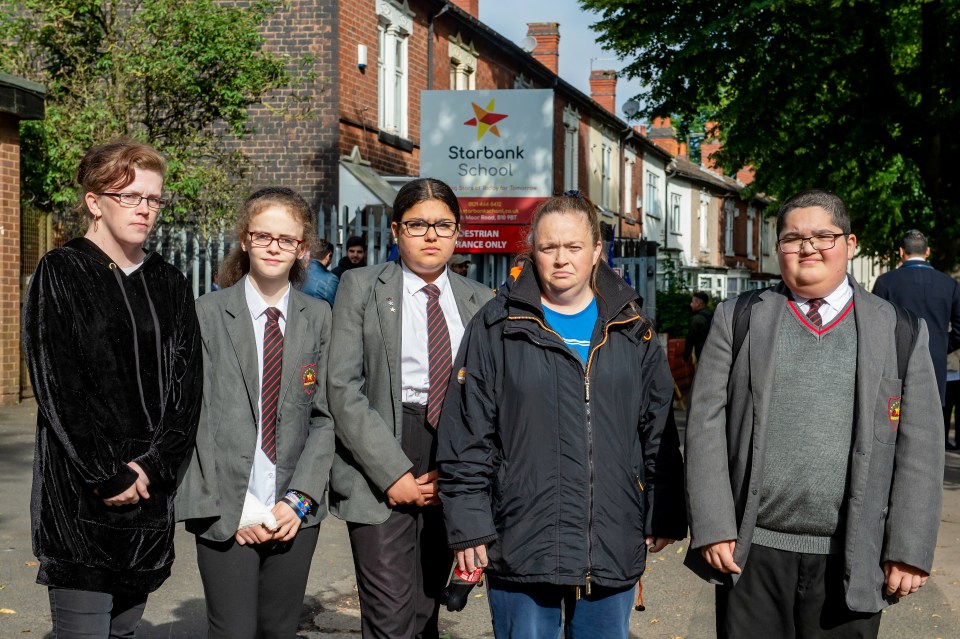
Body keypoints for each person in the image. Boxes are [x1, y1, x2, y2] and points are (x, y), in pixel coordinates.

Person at [684, 189, 944, 638]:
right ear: (778, 247)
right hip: (752, 552)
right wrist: (712, 525)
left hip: (852, 557)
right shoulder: (737, 319)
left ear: (851, 243)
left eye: (824, 236)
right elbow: (704, 426)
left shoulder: (900, 330)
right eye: (793, 237)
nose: (808, 247)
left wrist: (909, 548)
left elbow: (920, 446)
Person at [437, 193, 686, 638]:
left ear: (596, 252)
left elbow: (658, 428)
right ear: (532, 249)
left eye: (573, 247)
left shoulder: (632, 330)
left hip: (610, 535)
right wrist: (469, 525)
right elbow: (468, 433)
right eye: (549, 247)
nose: (561, 259)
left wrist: (663, 509)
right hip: (522, 537)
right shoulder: (497, 325)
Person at [21, 139, 203, 636]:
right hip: (83, 496)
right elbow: (58, 386)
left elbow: (188, 388)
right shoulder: (61, 273)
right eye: (130, 196)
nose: (144, 209)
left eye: (153, 198)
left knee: (122, 631)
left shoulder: (170, 281)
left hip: (149, 498)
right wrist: (107, 473)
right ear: (94, 201)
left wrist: (155, 465)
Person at [327, 178, 493, 638]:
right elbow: (342, 386)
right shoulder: (359, 287)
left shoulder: (480, 301)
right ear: (397, 231)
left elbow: (489, 397)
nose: (432, 235)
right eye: (418, 224)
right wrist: (392, 472)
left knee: (425, 610)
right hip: (382, 449)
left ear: (458, 233)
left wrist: (458, 470)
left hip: (454, 456)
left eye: (443, 224)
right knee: (389, 616)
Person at [175, 187, 335, 638]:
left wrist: (298, 499)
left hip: (293, 511)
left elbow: (326, 417)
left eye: (286, 239)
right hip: (227, 511)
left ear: (302, 250)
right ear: (245, 240)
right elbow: (194, 418)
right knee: (232, 631)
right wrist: (237, 507)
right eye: (263, 235)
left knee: (279, 629)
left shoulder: (319, 317)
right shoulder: (206, 314)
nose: (274, 247)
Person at [872, 229, 960, 447]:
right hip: (936, 362)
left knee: (895, 425)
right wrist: (941, 345)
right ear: (927, 251)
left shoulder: (886, 282)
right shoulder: (949, 285)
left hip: (896, 363)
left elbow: (874, 325)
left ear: (901, 252)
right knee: (930, 428)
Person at [302, 237, 340, 306]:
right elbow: (335, 309)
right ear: (329, 255)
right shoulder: (331, 279)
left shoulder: (297, 273)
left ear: (310, 254)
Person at [683, 290, 712, 364]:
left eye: (692, 302)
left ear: (698, 303)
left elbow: (690, 339)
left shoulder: (697, 319)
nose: (691, 304)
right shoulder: (712, 316)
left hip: (702, 355)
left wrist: (685, 357)